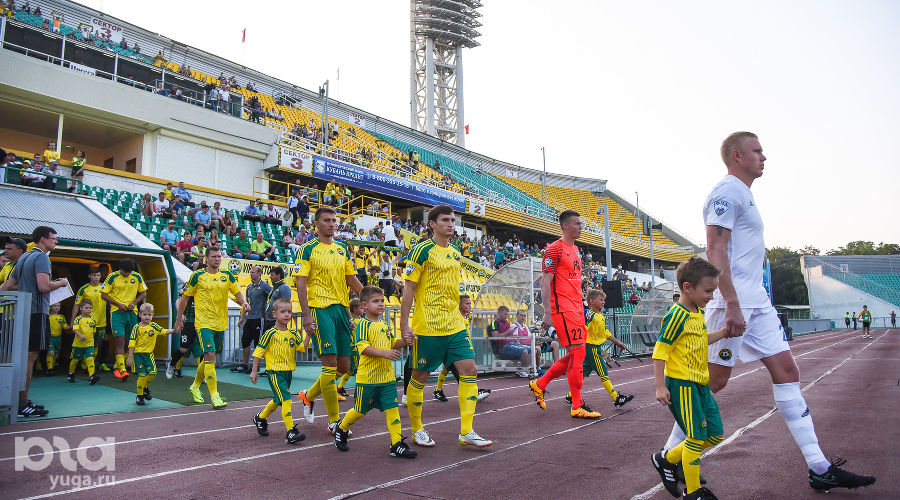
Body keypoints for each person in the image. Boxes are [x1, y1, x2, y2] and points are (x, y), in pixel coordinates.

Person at [660, 131, 874, 492]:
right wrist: (729, 301)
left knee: (788, 372)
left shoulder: (745, 194)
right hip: (736, 301)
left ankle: (819, 466)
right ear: (736, 155)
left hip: (757, 302)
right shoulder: (727, 191)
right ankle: (668, 456)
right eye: (757, 150)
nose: (764, 156)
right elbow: (714, 248)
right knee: (710, 383)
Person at [400, 205, 493, 448]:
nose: (451, 224)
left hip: (454, 324)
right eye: (445, 220)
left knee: (470, 370)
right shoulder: (421, 250)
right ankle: (417, 428)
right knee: (420, 377)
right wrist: (404, 325)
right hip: (428, 326)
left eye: (453, 220)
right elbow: (408, 288)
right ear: (432, 224)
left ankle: (466, 431)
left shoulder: (454, 252)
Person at [650, 257, 728, 500]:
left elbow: (701, 340)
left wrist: (725, 332)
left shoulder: (698, 312)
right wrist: (660, 387)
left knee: (715, 435)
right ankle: (693, 493)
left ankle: (666, 458)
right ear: (688, 287)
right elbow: (660, 351)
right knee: (695, 438)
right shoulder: (676, 315)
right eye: (708, 291)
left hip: (700, 383)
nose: (711, 297)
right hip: (682, 384)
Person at [295, 207, 364, 435]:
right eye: (327, 220)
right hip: (319, 308)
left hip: (340, 309)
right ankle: (334, 421)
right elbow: (301, 283)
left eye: (334, 220)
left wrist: (369, 296)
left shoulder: (342, 248)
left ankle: (308, 396)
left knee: (344, 367)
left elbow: (350, 278)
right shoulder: (307, 249)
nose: (332, 224)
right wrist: (306, 314)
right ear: (316, 223)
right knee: (329, 365)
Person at [528, 210, 602, 419]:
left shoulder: (576, 250)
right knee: (578, 354)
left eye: (581, 224)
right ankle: (577, 404)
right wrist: (547, 314)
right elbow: (545, 282)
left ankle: (539, 383)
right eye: (578, 224)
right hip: (563, 310)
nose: (581, 227)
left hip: (577, 308)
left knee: (574, 354)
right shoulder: (554, 249)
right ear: (565, 226)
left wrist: (583, 306)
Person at [332, 286, 417, 458]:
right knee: (359, 411)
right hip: (368, 379)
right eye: (375, 301)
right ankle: (342, 428)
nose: (381, 304)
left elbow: (392, 342)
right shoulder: (363, 325)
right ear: (364, 305)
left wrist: (406, 341)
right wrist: (385, 353)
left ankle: (396, 444)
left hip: (386, 378)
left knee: (393, 409)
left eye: (382, 301)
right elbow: (363, 348)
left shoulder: (384, 324)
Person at [1, 226, 68, 417]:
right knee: (29, 359)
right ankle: (22, 403)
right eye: (53, 238)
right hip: (36, 313)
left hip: (21, 314)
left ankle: (20, 401)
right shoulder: (41, 258)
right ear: (43, 240)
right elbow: (44, 286)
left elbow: (8, 286)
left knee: (22, 358)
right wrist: (61, 283)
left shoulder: (24, 257)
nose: (56, 241)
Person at [175, 247, 250, 409]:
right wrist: (178, 318)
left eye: (219, 256)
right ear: (206, 259)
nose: (217, 259)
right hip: (203, 323)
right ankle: (215, 396)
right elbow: (184, 298)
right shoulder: (197, 276)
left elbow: (237, 292)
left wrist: (243, 302)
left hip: (220, 322)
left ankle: (194, 386)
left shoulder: (227, 276)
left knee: (209, 357)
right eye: (214, 256)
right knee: (209, 355)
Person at [563, 289, 634, 409]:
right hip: (592, 348)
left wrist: (617, 342)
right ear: (591, 301)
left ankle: (571, 396)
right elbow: (582, 328)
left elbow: (605, 332)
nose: (603, 302)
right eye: (601, 300)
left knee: (584, 373)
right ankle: (616, 398)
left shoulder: (600, 316)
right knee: (603, 373)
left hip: (593, 348)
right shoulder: (589, 315)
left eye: (604, 300)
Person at [250, 298, 307, 445]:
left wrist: (310, 335)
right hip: (275, 372)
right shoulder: (270, 333)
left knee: (277, 400)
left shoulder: (293, 333)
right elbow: (258, 352)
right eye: (283, 312)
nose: (287, 315)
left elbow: (302, 348)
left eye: (289, 312)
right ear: (274, 314)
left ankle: (260, 418)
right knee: (287, 399)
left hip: (288, 372)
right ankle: (290, 432)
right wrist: (254, 371)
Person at [431, 294, 491, 403]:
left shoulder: (465, 317)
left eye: (470, 303)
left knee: (447, 369)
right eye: (467, 304)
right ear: (459, 305)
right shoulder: (455, 318)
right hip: (453, 349)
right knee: (461, 371)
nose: (470, 306)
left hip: (461, 348)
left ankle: (438, 390)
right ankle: (473, 392)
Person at [101, 258, 147, 380]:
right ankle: (122, 370)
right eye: (124, 272)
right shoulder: (112, 277)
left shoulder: (137, 276)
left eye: (128, 272)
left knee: (129, 341)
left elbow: (143, 293)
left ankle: (118, 366)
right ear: (120, 269)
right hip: (117, 312)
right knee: (119, 339)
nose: (126, 274)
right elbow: (103, 294)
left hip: (132, 312)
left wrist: (134, 303)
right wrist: (117, 304)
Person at [127, 303, 174, 405]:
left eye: (149, 314)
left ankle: (144, 387)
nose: (147, 317)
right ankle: (139, 396)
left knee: (152, 373)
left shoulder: (154, 326)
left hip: (149, 355)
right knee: (142, 375)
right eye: (145, 314)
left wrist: (174, 330)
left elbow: (164, 331)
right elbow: (131, 343)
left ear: (153, 314)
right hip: (138, 355)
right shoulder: (136, 328)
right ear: (140, 315)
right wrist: (130, 357)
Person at [233, 266, 271, 374]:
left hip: (259, 319)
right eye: (250, 272)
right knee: (245, 341)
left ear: (259, 273)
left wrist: (267, 312)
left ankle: (256, 367)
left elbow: (273, 298)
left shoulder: (265, 286)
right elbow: (246, 304)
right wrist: (242, 318)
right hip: (249, 319)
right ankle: (244, 365)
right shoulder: (249, 287)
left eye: (253, 272)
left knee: (257, 344)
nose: (251, 274)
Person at [73, 267, 107, 373]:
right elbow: (77, 304)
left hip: (101, 321)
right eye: (94, 275)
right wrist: (72, 320)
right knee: (86, 342)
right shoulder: (84, 289)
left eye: (98, 276)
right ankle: (84, 363)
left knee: (97, 343)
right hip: (87, 322)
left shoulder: (105, 288)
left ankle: (90, 363)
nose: (96, 278)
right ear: (89, 276)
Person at [487, 306, 532, 377]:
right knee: (525, 351)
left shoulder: (507, 323)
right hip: (503, 348)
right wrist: (508, 332)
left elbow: (511, 335)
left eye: (507, 314)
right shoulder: (494, 323)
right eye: (505, 314)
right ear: (499, 313)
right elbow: (495, 337)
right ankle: (522, 370)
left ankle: (530, 369)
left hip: (512, 344)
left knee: (533, 349)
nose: (507, 316)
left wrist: (517, 341)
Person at [69, 299, 100, 385]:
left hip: (89, 344)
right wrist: (80, 336)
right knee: (75, 360)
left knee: (90, 359)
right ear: (81, 308)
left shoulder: (93, 320)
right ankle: (71, 374)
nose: (88, 310)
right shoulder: (78, 319)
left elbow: (94, 331)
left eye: (90, 308)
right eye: (86, 308)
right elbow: (75, 329)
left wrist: (93, 341)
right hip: (78, 344)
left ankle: (92, 376)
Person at [264, 267, 292, 332]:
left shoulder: (284, 288)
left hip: (276, 321)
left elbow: (285, 305)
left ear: (278, 275)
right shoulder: (275, 287)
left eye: (272, 275)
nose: (270, 277)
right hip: (270, 319)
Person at [46, 302, 67, 376]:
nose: (57, 307)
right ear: (50, 307)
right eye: (55, 306)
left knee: (56, 354)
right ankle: (49, 369)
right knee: (50, 352)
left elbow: (65, 327)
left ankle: (52, 366)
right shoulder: (48, 316)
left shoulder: (61, 317)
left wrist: (73, 326)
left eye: (58, 306)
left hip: (58, 338)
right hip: (50, 337)